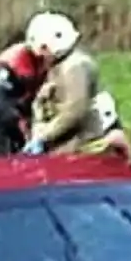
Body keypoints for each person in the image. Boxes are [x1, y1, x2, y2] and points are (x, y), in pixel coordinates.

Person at [22, 13, 105, 156]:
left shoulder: (75, 67)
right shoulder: (60, 66)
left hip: (81, 146)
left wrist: (44, 136)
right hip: (67, 145)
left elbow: (75, 110)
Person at [0, 17, 57, 157]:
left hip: (23, 108)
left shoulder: (46, 61)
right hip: (0, 112)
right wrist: (19, 122)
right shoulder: (12, 63)